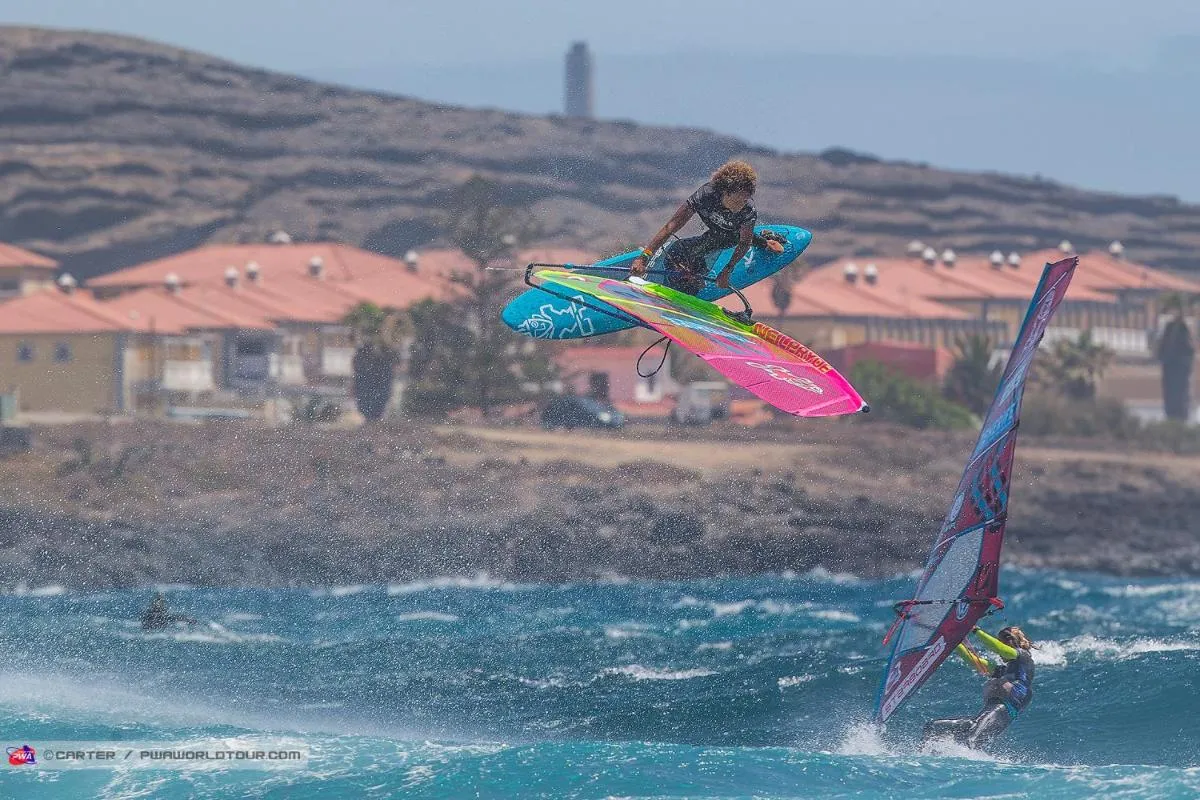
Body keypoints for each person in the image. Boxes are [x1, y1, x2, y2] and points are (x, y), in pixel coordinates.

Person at [630, 160, 786, 296]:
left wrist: (727, 271)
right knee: (677, 253)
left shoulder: (747, 210)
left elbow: (744, 242)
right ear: (726, 191)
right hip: (715, 232)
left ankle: (765, 242)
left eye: (746, 199)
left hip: (731, 236)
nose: (743, 203)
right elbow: (671, 227)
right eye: (740, 198)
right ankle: (764, 240)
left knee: (722, 240)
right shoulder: (705, 195)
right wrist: (644, 257)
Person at [922, 625, 1036, 749]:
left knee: (972, 739)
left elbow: (1001, 649)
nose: (1000, 655)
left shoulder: (1023, 657)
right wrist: (952, 640)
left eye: (1001, 642)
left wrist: (976, 631)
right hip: (982, 717)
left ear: (1009, 642)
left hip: (1004, 710)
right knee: (932, 727)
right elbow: (974, 661)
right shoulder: (1003, 670)